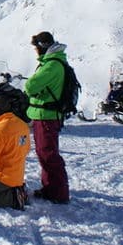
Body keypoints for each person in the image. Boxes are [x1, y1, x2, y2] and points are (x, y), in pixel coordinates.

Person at [24, 31, 70, 204]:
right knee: (45, 153)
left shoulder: (51, 65)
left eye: (36, 47)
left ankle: (58, 193)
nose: (35, 51)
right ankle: (50, 188)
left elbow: (30, 86)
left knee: (48, 154)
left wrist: (33, 86)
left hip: (46, 116)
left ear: (42, 47)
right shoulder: (54, 62)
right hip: (46, 115)